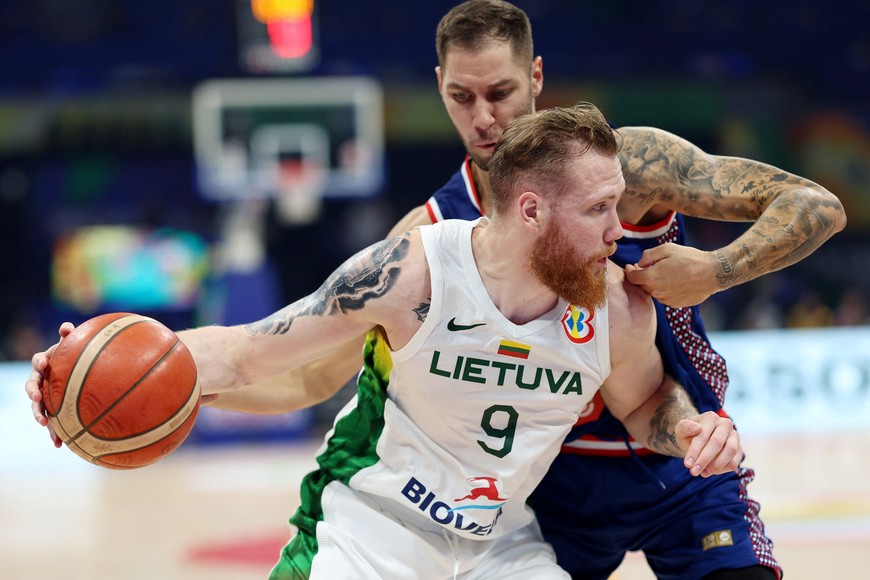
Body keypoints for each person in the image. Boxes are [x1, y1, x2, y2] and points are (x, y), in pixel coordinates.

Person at [28, 1, 846, 578]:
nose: (485, 118)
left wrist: (714, 269)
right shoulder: (423, 243)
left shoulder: (624, 166)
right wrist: (158, 377)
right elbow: (303, 369)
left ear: (535, 77)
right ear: (441, 90)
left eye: (501, 93)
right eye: (461, 97)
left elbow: (814, 204)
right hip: (544, 486)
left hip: (676, 443)